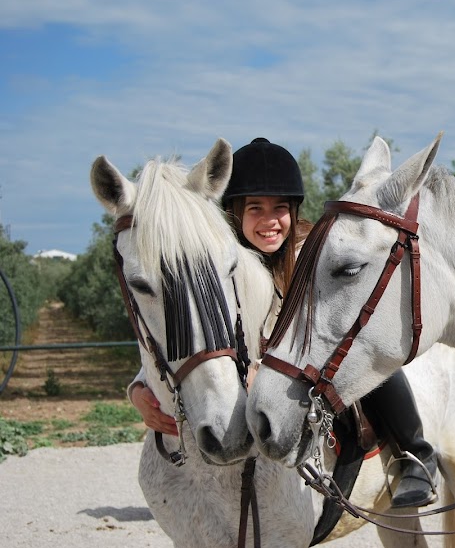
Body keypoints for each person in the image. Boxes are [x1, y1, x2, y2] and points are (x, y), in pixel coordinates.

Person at [128, 137, 439, 508]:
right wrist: (138, 387)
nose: (270, 221)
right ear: (234, 212)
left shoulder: (310, 251)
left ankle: (416, 453)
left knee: (366, 356)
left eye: (280, 208)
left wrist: (265, 363)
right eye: (255, 208)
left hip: (304, 358)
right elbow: (190, 334)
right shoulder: (220, 263)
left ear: (294, 211)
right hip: (256, 370)